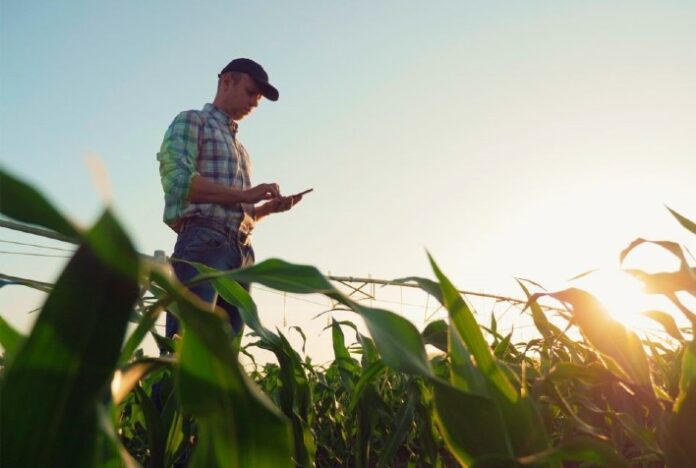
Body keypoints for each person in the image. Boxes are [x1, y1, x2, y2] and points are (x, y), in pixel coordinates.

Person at [157, 58, 304, 339]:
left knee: (224, 363)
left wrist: (266, 210)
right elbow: (177, 182)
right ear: (227, 82)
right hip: (203, 245)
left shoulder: (241, 150)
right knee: (186, 350)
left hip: (241, 253)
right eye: (251, 93)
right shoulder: (192, 121)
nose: (256, 103)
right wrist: (245, 194)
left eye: (259, 98)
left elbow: (235, 211)